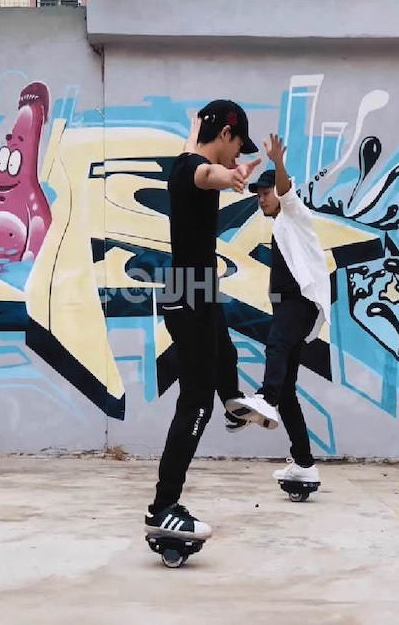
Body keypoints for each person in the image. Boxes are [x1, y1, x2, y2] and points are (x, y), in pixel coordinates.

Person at [145, 100, 264, 541]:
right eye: (237, 147)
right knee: (196, 402)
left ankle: (233, 398)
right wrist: (230, 177)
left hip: (196, 288)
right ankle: (163, 507)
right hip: (189, 292)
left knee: (224, 352)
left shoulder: (185, 159)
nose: (236, 157)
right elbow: (207, 173)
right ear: (226, 134)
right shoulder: (196, 169)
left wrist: (195, 130)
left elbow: (195, 155)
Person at [227, 133, 331, 486]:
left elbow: (286, 191)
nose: (261, 199)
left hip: (299, 303)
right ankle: (303, 463)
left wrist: (278, 163)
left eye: (265, 193)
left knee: (276, 347)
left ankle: (266, 397)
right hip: (292, 306)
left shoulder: (294, 213)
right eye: (258, 195)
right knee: (288, 392)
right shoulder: (283, 225)